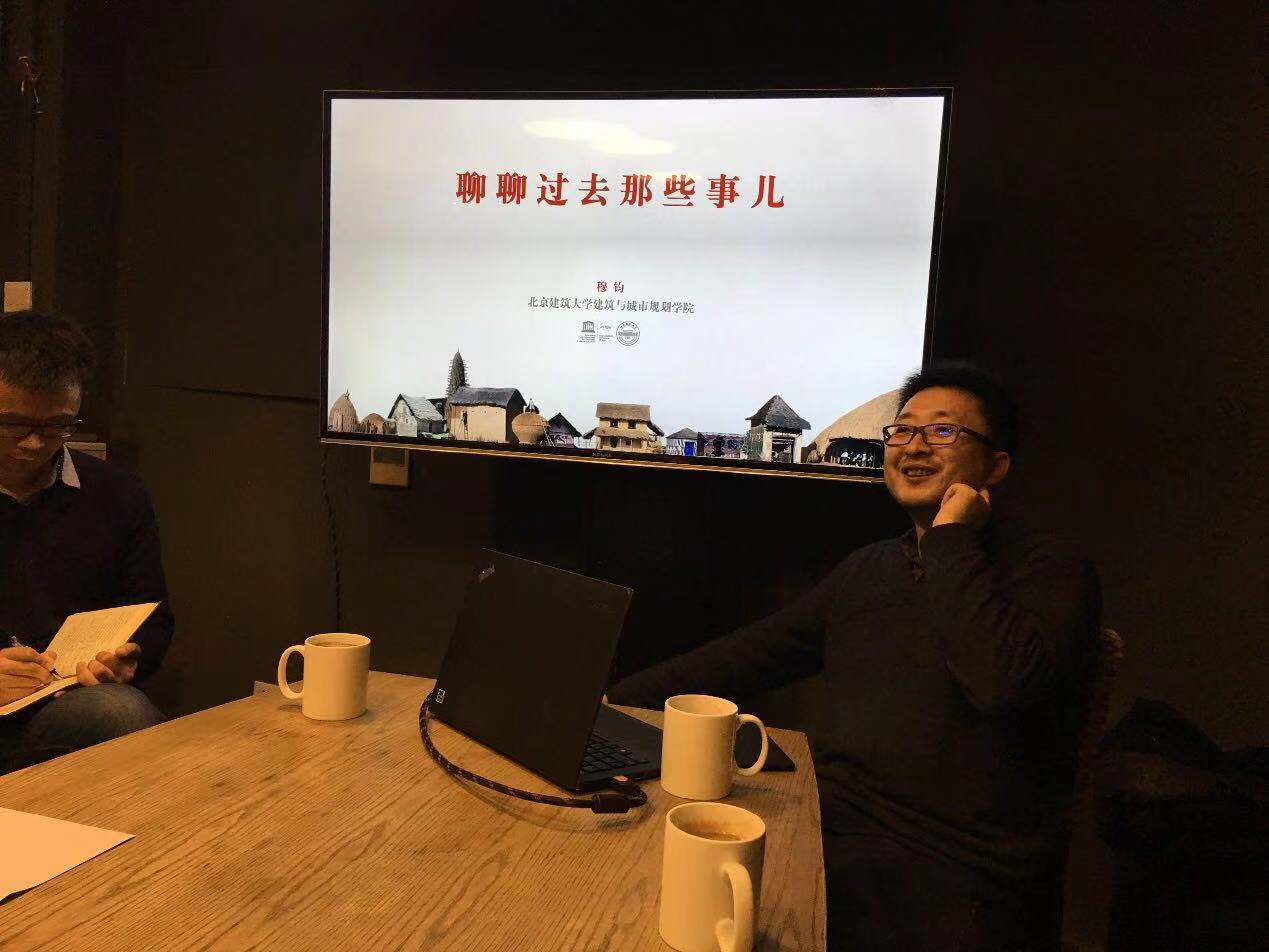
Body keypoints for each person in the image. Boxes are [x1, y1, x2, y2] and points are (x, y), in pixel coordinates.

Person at [608, 361, 1101, 951]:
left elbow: (1000, 681)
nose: (914, 446)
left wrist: (950, 538)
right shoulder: (871, 569)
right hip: (828, 829)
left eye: (943, 431)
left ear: (996, 465)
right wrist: (614, 700)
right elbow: (753, 654)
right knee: (634, 884)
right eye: (903, 430)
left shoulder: (1051, 571)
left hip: (960, 874)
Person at [0, 310, 172, 773]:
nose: (33, 444)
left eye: (56, 426)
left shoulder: (116, 494)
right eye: (13, 424)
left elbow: (153, 617)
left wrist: (127, 659)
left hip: (63, 701)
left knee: (120, 710)